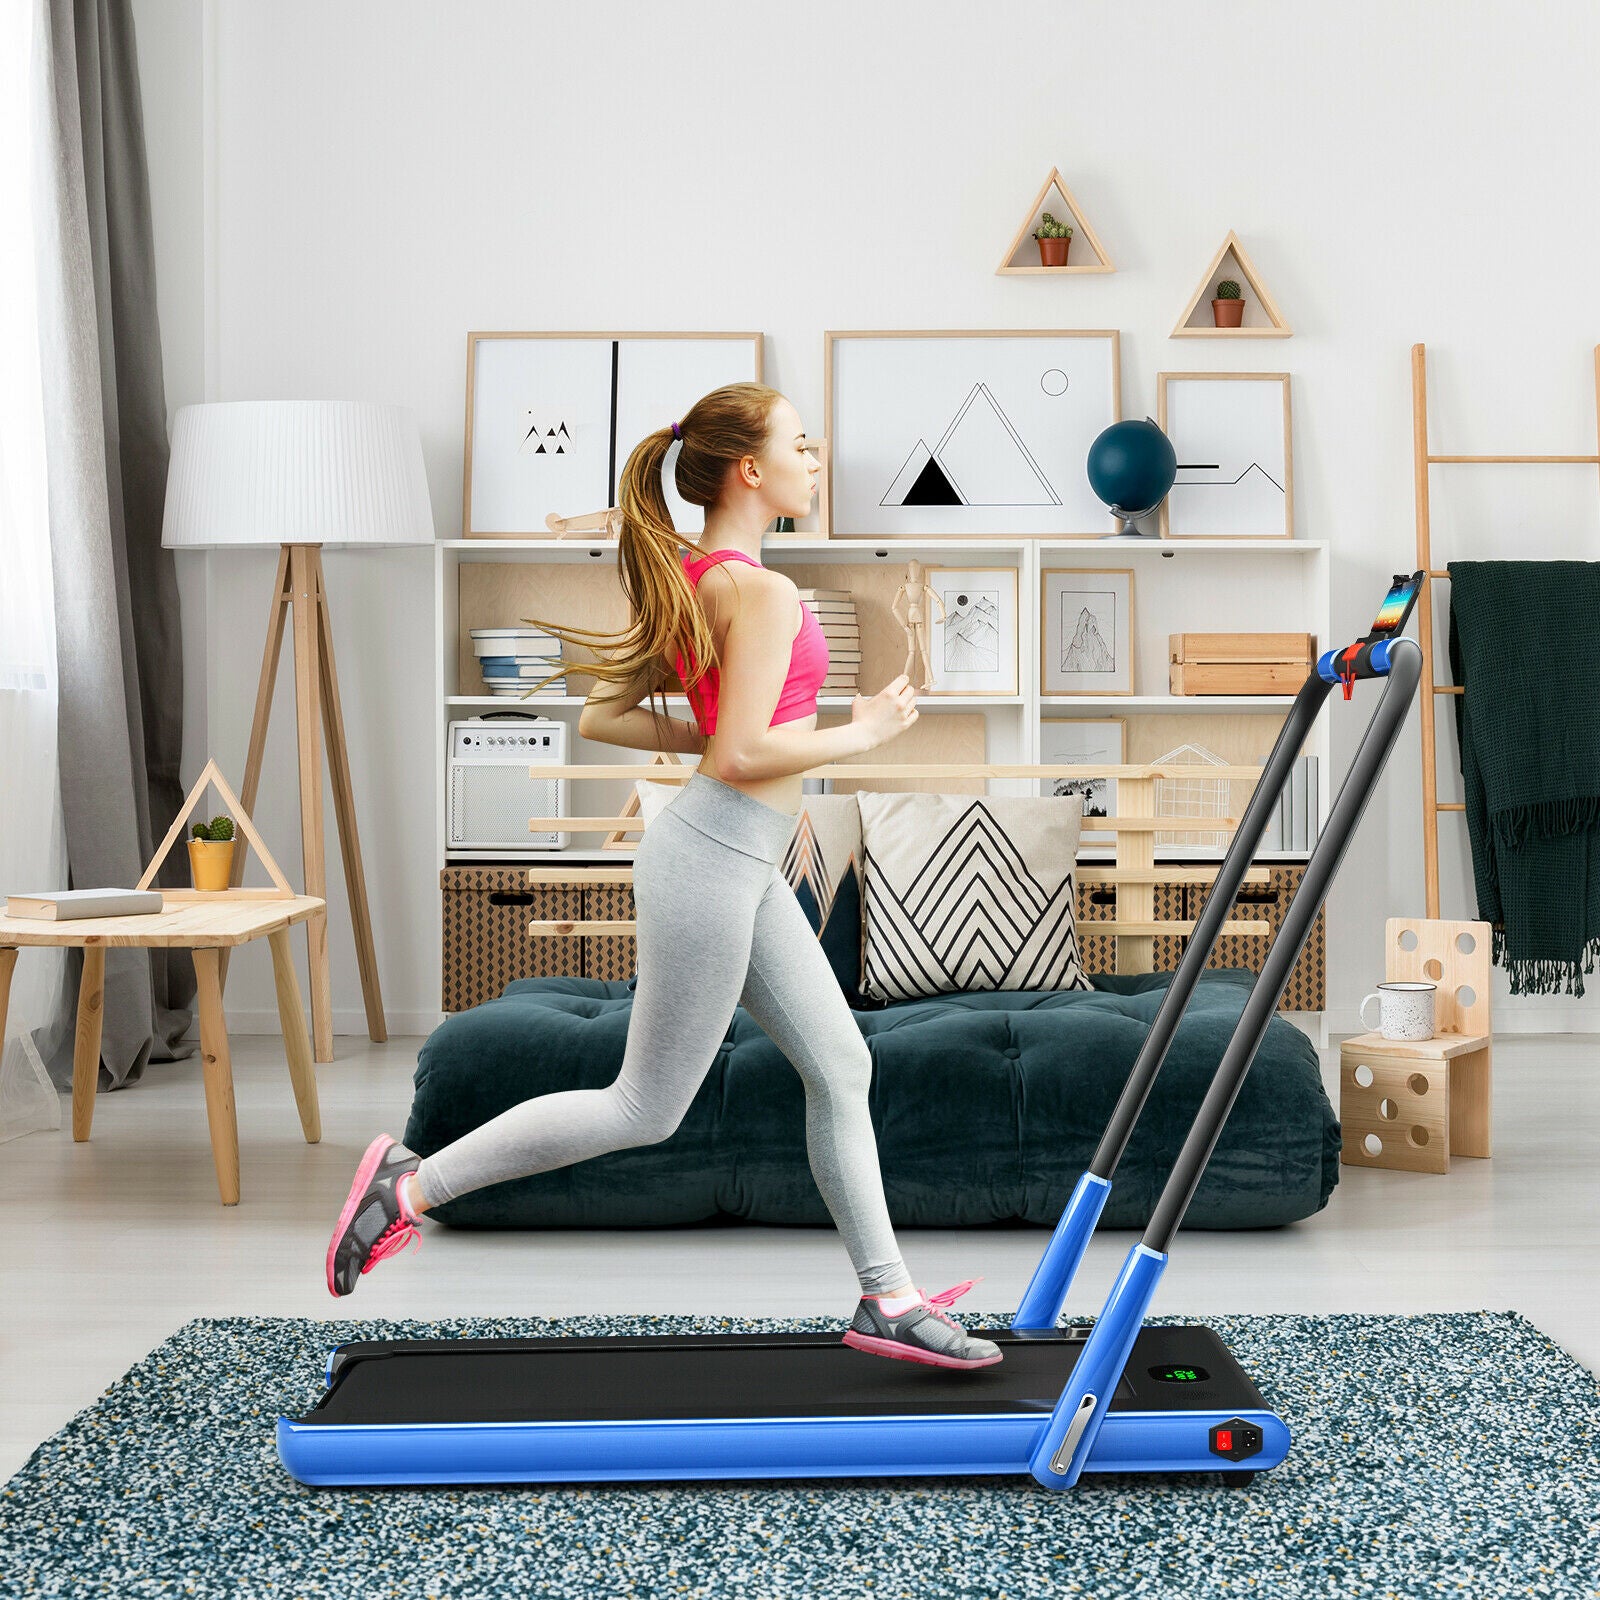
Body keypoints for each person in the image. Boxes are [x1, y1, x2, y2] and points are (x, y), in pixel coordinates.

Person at [326, 382, 1000, 1370]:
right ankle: (408, 1186)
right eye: (800, 446)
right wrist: (859, 730)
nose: (816, 460)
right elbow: (734, 759)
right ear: (750, 471)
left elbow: (611, 718)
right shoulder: (761, 591)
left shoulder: (701, 575)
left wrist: (733, 734)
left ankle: (886, 1300)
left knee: (841, 1065)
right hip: (712, 859)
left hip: (738, 861)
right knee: (645, 1106)